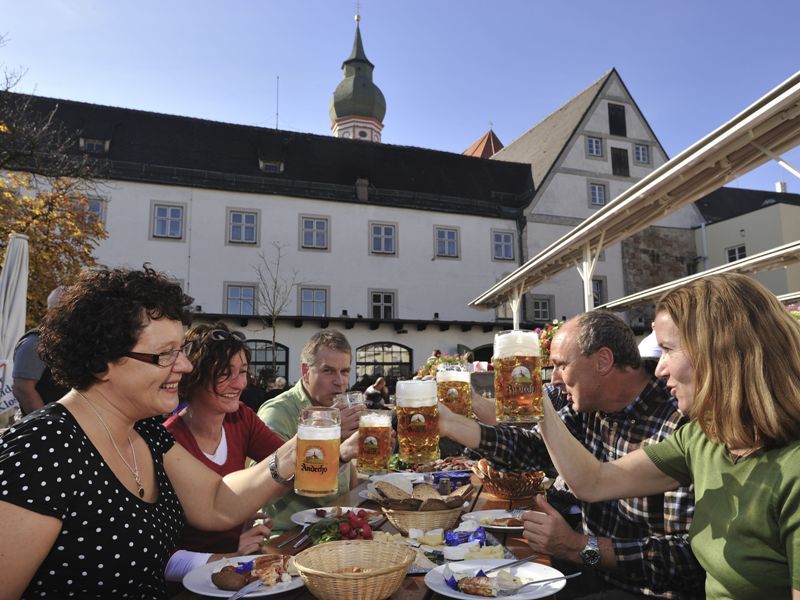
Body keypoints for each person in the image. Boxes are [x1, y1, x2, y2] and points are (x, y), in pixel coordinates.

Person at [0, 266, 298, 599]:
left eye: (181, 351)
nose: (184, 366)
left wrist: (303, 448)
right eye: (166, 354)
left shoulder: (145, 431)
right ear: (103, 362)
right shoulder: (42, 450)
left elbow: (217, 502)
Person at [538, 274, 800, 600]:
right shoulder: (705, 438)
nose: (659, 369)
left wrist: (579, 548)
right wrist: (535, 405)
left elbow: (680, 562)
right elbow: (594, 482)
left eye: (668, 350)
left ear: (718, 353)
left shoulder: (791, 470)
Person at [438, 311, 705, 599]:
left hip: (648, 590)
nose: (553, 380)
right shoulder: (590, 408)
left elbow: (686, 563)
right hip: (591, 568)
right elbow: (535, 450)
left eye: (561, 366)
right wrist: (453, 425)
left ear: (603, 361)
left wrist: (578, 547)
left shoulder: (681, 420)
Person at [162, 322, 286, 582]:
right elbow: (160, 558)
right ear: (194, 375)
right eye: (224, 373)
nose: (239, 383)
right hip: (192, 584)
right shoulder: (167, 441)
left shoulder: (242, 417)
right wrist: (229, 554)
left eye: (242, 371)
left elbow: (287, 465)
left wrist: (337, 449)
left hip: (241, 569)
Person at [257, 329, 364, 534]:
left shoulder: (337, 409)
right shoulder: (278, 412)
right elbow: (264, 489)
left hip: (334, 527)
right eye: (328, 371)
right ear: (305, 370)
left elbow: (347, 475)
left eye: (344, 371)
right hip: (288, 535)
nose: (340, 382)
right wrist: (335, 448)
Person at [11, 287, 69, 415]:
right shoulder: (34, 342)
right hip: (50, 428)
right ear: (52, 311)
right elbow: (22, 389)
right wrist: (48, 421)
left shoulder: (69, 340)